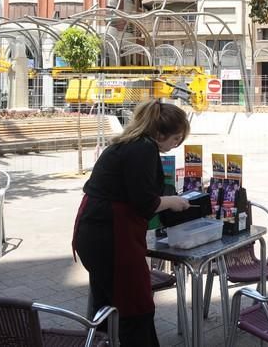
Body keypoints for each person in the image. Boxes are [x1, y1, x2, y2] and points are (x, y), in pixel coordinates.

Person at [73, 100, 191, 346]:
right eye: (176, 138)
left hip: (94, 230)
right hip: (112, 235)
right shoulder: (143, 149)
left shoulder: (129, 144)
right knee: (135, 305)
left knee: (107, 301)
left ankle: (103, 341)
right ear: (160, 133)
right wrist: (172, 201)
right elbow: (145, 202)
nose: (176, 144)